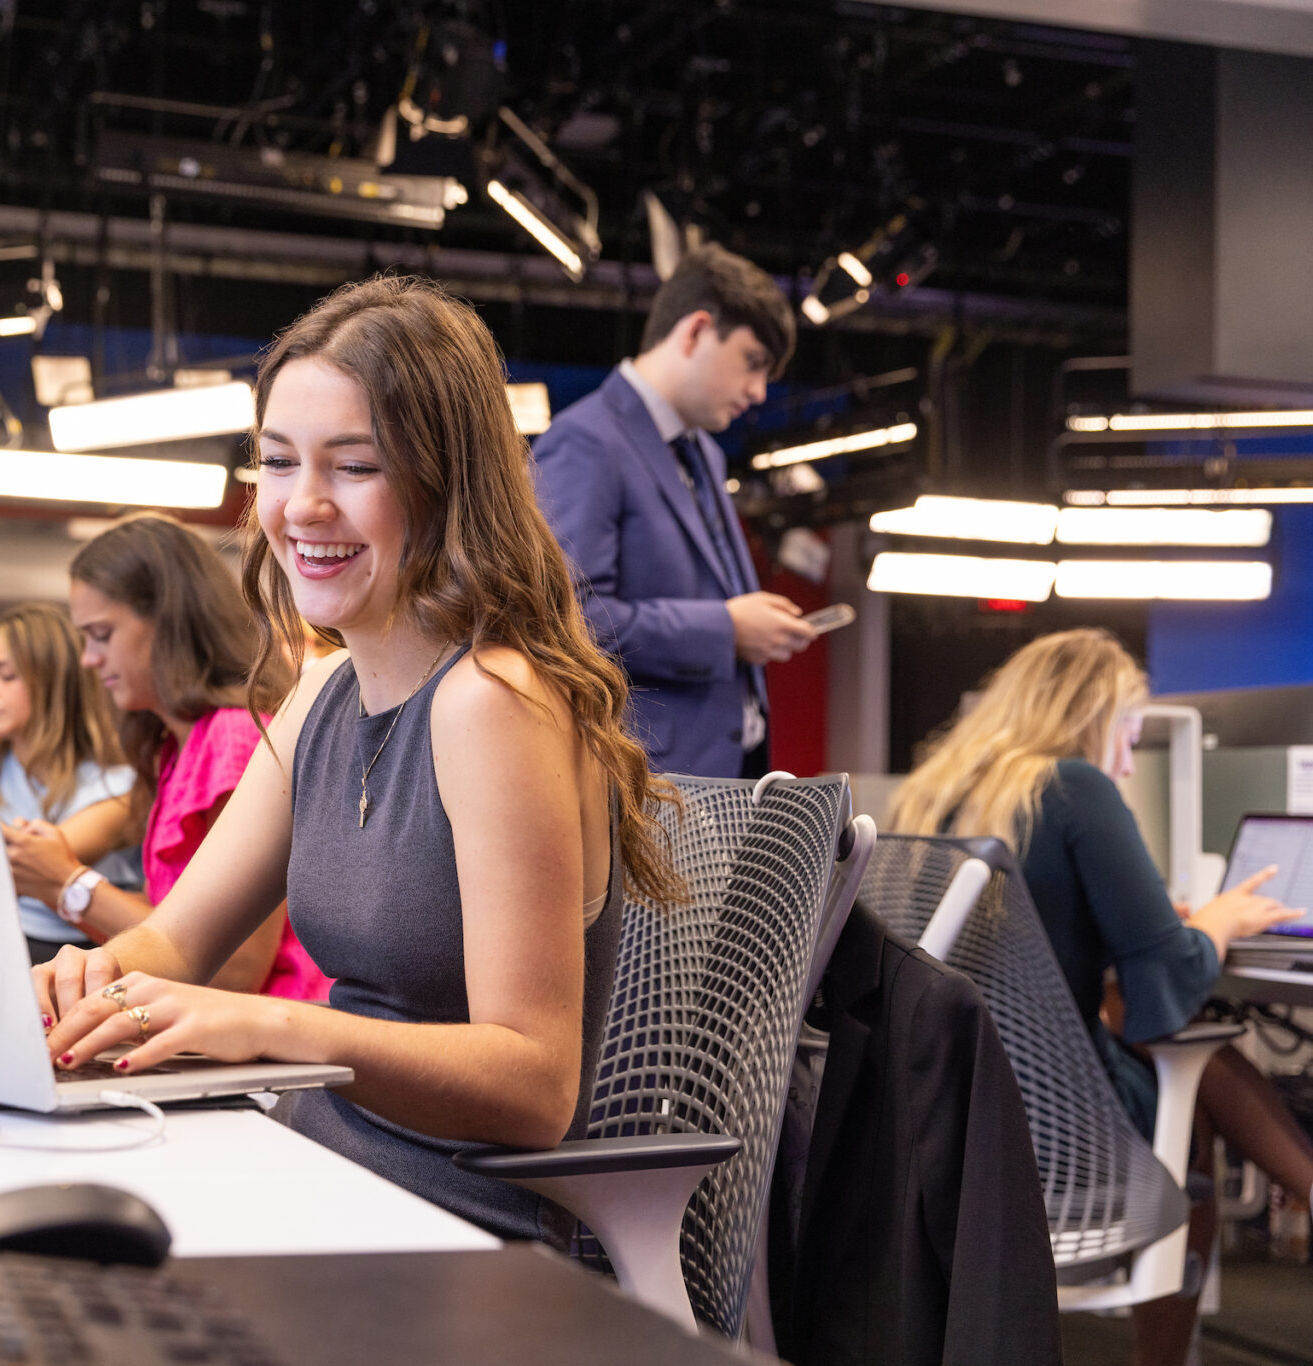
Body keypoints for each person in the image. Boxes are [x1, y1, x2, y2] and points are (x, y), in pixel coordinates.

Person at [35, 275, 682, 1244]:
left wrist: (272, 1027)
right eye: (277, 462)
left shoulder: (492, 704)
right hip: (315, 1178)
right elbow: (174, 945)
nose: (301, 507)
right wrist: (77, 987)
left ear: (444, 481)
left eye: (355, 466)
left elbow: (535, 1085)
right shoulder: (322, 693)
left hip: (452, 1230)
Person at [887, 628, 1313, 1366]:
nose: (1125, 759)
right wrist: (1220, 920)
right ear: (1092, 720)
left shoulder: (937, 794)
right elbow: (1168, 985)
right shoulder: (1074, 785)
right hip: (1057, 1132)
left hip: (943, 1111)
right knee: (1189, 1055)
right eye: (1127, 735)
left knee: (1165, 1057)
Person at [1, 513, 330, 1000]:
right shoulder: (178, 748)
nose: (90, 658)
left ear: (167, 623)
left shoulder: (233, 739)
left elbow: (234, 969)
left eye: (102, 634)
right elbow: (172, 921)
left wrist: (69, 885)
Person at [531, 243, 812, 779]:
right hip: (643, 789)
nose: (757, 392)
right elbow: (566, 621)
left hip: (720, 781)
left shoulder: (701, 448)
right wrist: (725, 631)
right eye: (752, 363)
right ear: (696, 331)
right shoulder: (585, 441)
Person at [0, 602, 138, 965]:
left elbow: (27, 862)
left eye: (5, 675)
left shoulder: (116, 787)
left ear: (52, 683)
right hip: (6, 934)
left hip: (78, 952)